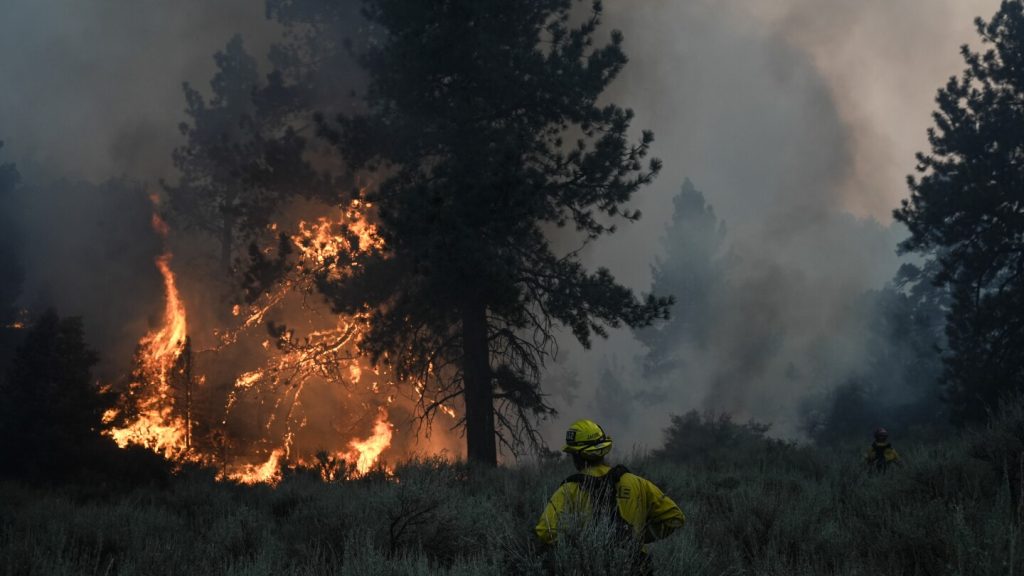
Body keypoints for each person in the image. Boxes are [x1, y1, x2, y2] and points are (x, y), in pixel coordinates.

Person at [535, 419, 685, 574]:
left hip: (590, 568)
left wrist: (576, 545)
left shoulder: (569, 489)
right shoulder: (638, 483)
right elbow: (675, 518)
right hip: (635, 566)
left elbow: (545, 531)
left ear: (577, 456)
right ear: (603, 450)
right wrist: (639, 537)